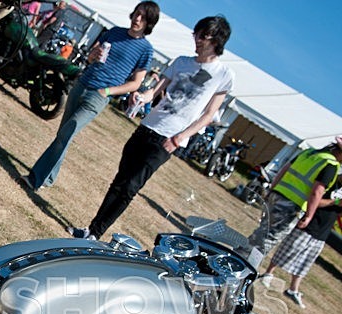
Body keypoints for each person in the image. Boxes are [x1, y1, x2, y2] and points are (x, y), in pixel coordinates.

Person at [67, 15, 234, 240]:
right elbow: (154, 92)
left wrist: (180, 138)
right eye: (196, 34)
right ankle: (91, 230)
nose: (197, 40)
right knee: (119, 181)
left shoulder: (224, 75)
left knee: (130, 187)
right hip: (147, 127)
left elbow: (209, 115)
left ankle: (96, 234)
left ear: (217, 40)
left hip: (168, 139)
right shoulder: (181, 62)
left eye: (203, 36)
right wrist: (140, 97)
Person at [21, 1, 160, 190]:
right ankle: (50, 177)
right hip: (82, 84)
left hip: (98, 96)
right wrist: (93, 54)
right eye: (137, 13)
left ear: (149, 23)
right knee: (63, 134)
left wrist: (108, 92)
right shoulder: (114, 32)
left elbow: (136, 83)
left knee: (67, 133)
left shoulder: (145, 49)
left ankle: (36, 178)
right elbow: (90, 58)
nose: (138, 18)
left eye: (143, 17)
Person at [245, 137, 342, 260]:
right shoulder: (331, 164)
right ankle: (246, 263)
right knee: (269, 238)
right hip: (292, 205)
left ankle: (239, 255)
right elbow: (316, 192)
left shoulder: (308, 153)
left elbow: (283, 170)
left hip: (277, 195)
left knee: (262, 231)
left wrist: (271, 189)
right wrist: (309, 216)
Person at [258, 181, 342, 308]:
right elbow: (314, 201)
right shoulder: (330, 184)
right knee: (287, 250)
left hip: (322, 232)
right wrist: (335, 202)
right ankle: (268, 273)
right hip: (309, 225)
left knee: (305, 263)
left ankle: (293, 289)